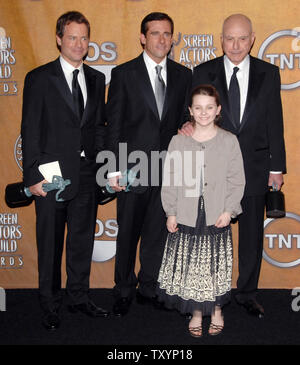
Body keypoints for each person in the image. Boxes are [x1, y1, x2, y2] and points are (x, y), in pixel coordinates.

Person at [187, 14, 286, 318]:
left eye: (242, 38)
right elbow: (192, 118)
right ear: (221, 39)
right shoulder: (204, 71)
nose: (236, 45)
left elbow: (274, 121)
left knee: (252, 235)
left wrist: (277, 167)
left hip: (256, 166)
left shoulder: (268, 73)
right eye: (230, 38)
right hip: (214, 169)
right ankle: (211, 293)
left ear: (252, 39)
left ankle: (247, 293)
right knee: (213, 234)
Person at [21, 11, 109, 331]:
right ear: (59, 38)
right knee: (50, 242)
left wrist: (101, 168)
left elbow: (99, 129)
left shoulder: (97, 79)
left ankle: (79, 297)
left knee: (82, 241)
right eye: (72, 37)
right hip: (51, 174)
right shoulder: (40, 78)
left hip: (86, 173)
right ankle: (50, 303)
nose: (78, 44)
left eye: (84, 38)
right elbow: (30, 130)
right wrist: (33, 177)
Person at [105, 12, 192, 316]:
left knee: (158, 231)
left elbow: (184, 119)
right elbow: (113, 126)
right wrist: (114, 169)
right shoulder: (123, 74)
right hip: (131, 169)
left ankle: (149, 286)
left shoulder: (183, 75)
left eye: (167, 33)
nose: (162, 39)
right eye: (155, 33)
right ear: (143, 37)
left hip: (167, 168)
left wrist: (187, 126)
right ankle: (123, 289)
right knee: (128, 231)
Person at [158, 84, 245, 337]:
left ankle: (217, 309)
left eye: (209, 108)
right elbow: (171, 179)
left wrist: (229, 210)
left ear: (218, 110)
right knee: (192, 265)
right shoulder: (178, 141)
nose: (203, 113)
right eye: (198, 108)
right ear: (190, 111)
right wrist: (171, 211)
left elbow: (237, 180)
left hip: (217, 212)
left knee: (215, 264)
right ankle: (196, 311)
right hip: (187, 212)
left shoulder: (229, 141)